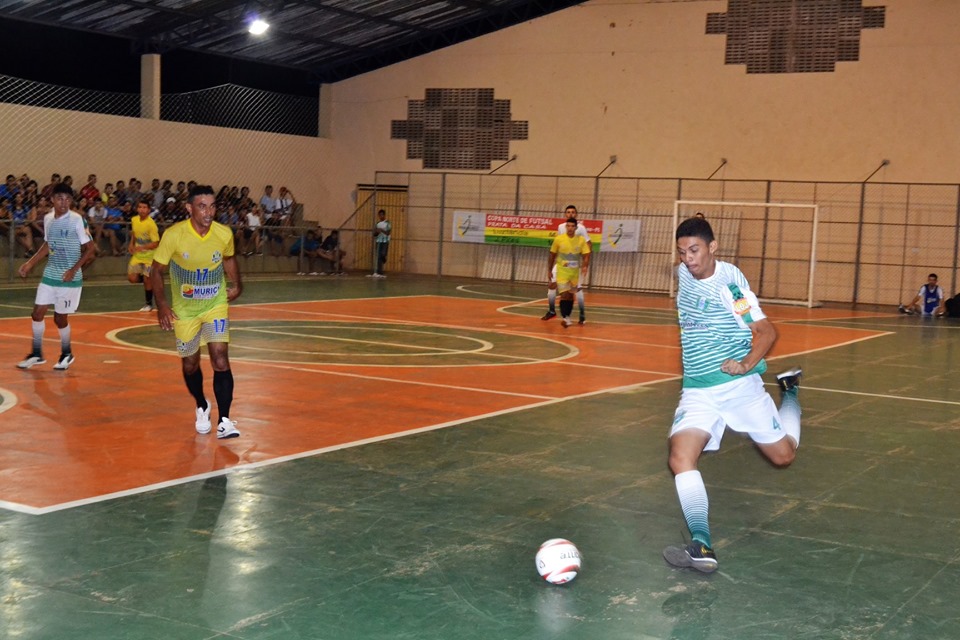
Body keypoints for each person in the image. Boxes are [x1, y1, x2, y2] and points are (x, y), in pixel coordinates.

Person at [663, 216, 802, 573]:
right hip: (698, 389)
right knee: (680, 457)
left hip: (740, 388)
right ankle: (702, 543)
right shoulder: (684, 274)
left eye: (695, 250)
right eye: (682, 252)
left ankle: (790, 394)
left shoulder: (730, 287)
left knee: (783, 455)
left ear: (713, 247)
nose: (688, 259)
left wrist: (745, 363)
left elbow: (766, 332)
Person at [150, 185, 242, 439]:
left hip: (215, 304)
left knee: (220, 357)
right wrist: (162, 306)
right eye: (202, 206)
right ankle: (202, 405)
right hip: (184, 310)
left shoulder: (223, 233)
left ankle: (224, 420)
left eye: (212, 206)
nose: (208, 212)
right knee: (190, 364)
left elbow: (228, 258)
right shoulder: (174, 235)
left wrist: (237, 284)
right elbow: (155, 270)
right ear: (189, 208)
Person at [16, 182, 97, 370]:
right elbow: (47, 245)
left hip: (69, 279)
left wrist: (74, 270)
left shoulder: (76, 219)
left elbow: (90, 249)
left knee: (60, 319)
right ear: (52, 199)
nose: (64, 202)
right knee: (37, 313)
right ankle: (37, 353)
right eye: (60, 198)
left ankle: (67, 353)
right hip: (51, 273)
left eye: (68, 199)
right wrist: (30, 264)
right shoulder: (48, 219)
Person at [543, 205, 590, 323]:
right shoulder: (560, 227)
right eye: (568, 212)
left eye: (573, 212)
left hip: (573, 265)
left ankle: (582, 313)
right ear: (565, 214)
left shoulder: (581, 229)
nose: (571, 214)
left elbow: (588, 244)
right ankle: (552, 310)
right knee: (552, 284)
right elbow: (557, 246)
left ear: (576, 214)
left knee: (576, 290)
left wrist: (585, 263)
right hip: (561, 263)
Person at [128, 197, 160, 312]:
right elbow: (134, 234)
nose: (142, 210)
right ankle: (149, 279)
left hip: (149, 257)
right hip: (138, 256)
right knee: (132, 278)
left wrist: (142, 247)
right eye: (140, 207)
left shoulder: (151, 225)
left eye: (144, 208)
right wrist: (131, 244)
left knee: (147, 279)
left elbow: (156, 243)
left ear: (149, 210)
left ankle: (148, 304)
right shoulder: (134, 220)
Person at [368, 209, 391, 278]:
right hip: (378, 241)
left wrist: (381, 230)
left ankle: (384, 259)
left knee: (383, 254)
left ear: (384, 215)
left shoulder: (387, 223)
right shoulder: (377, 224)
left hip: (385, 241)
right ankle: (379, 271)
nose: (381, 216)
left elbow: (388, 233)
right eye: (379, 215)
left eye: (382, 215)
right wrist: (376, 232)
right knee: (378, 256)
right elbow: (374, 234)